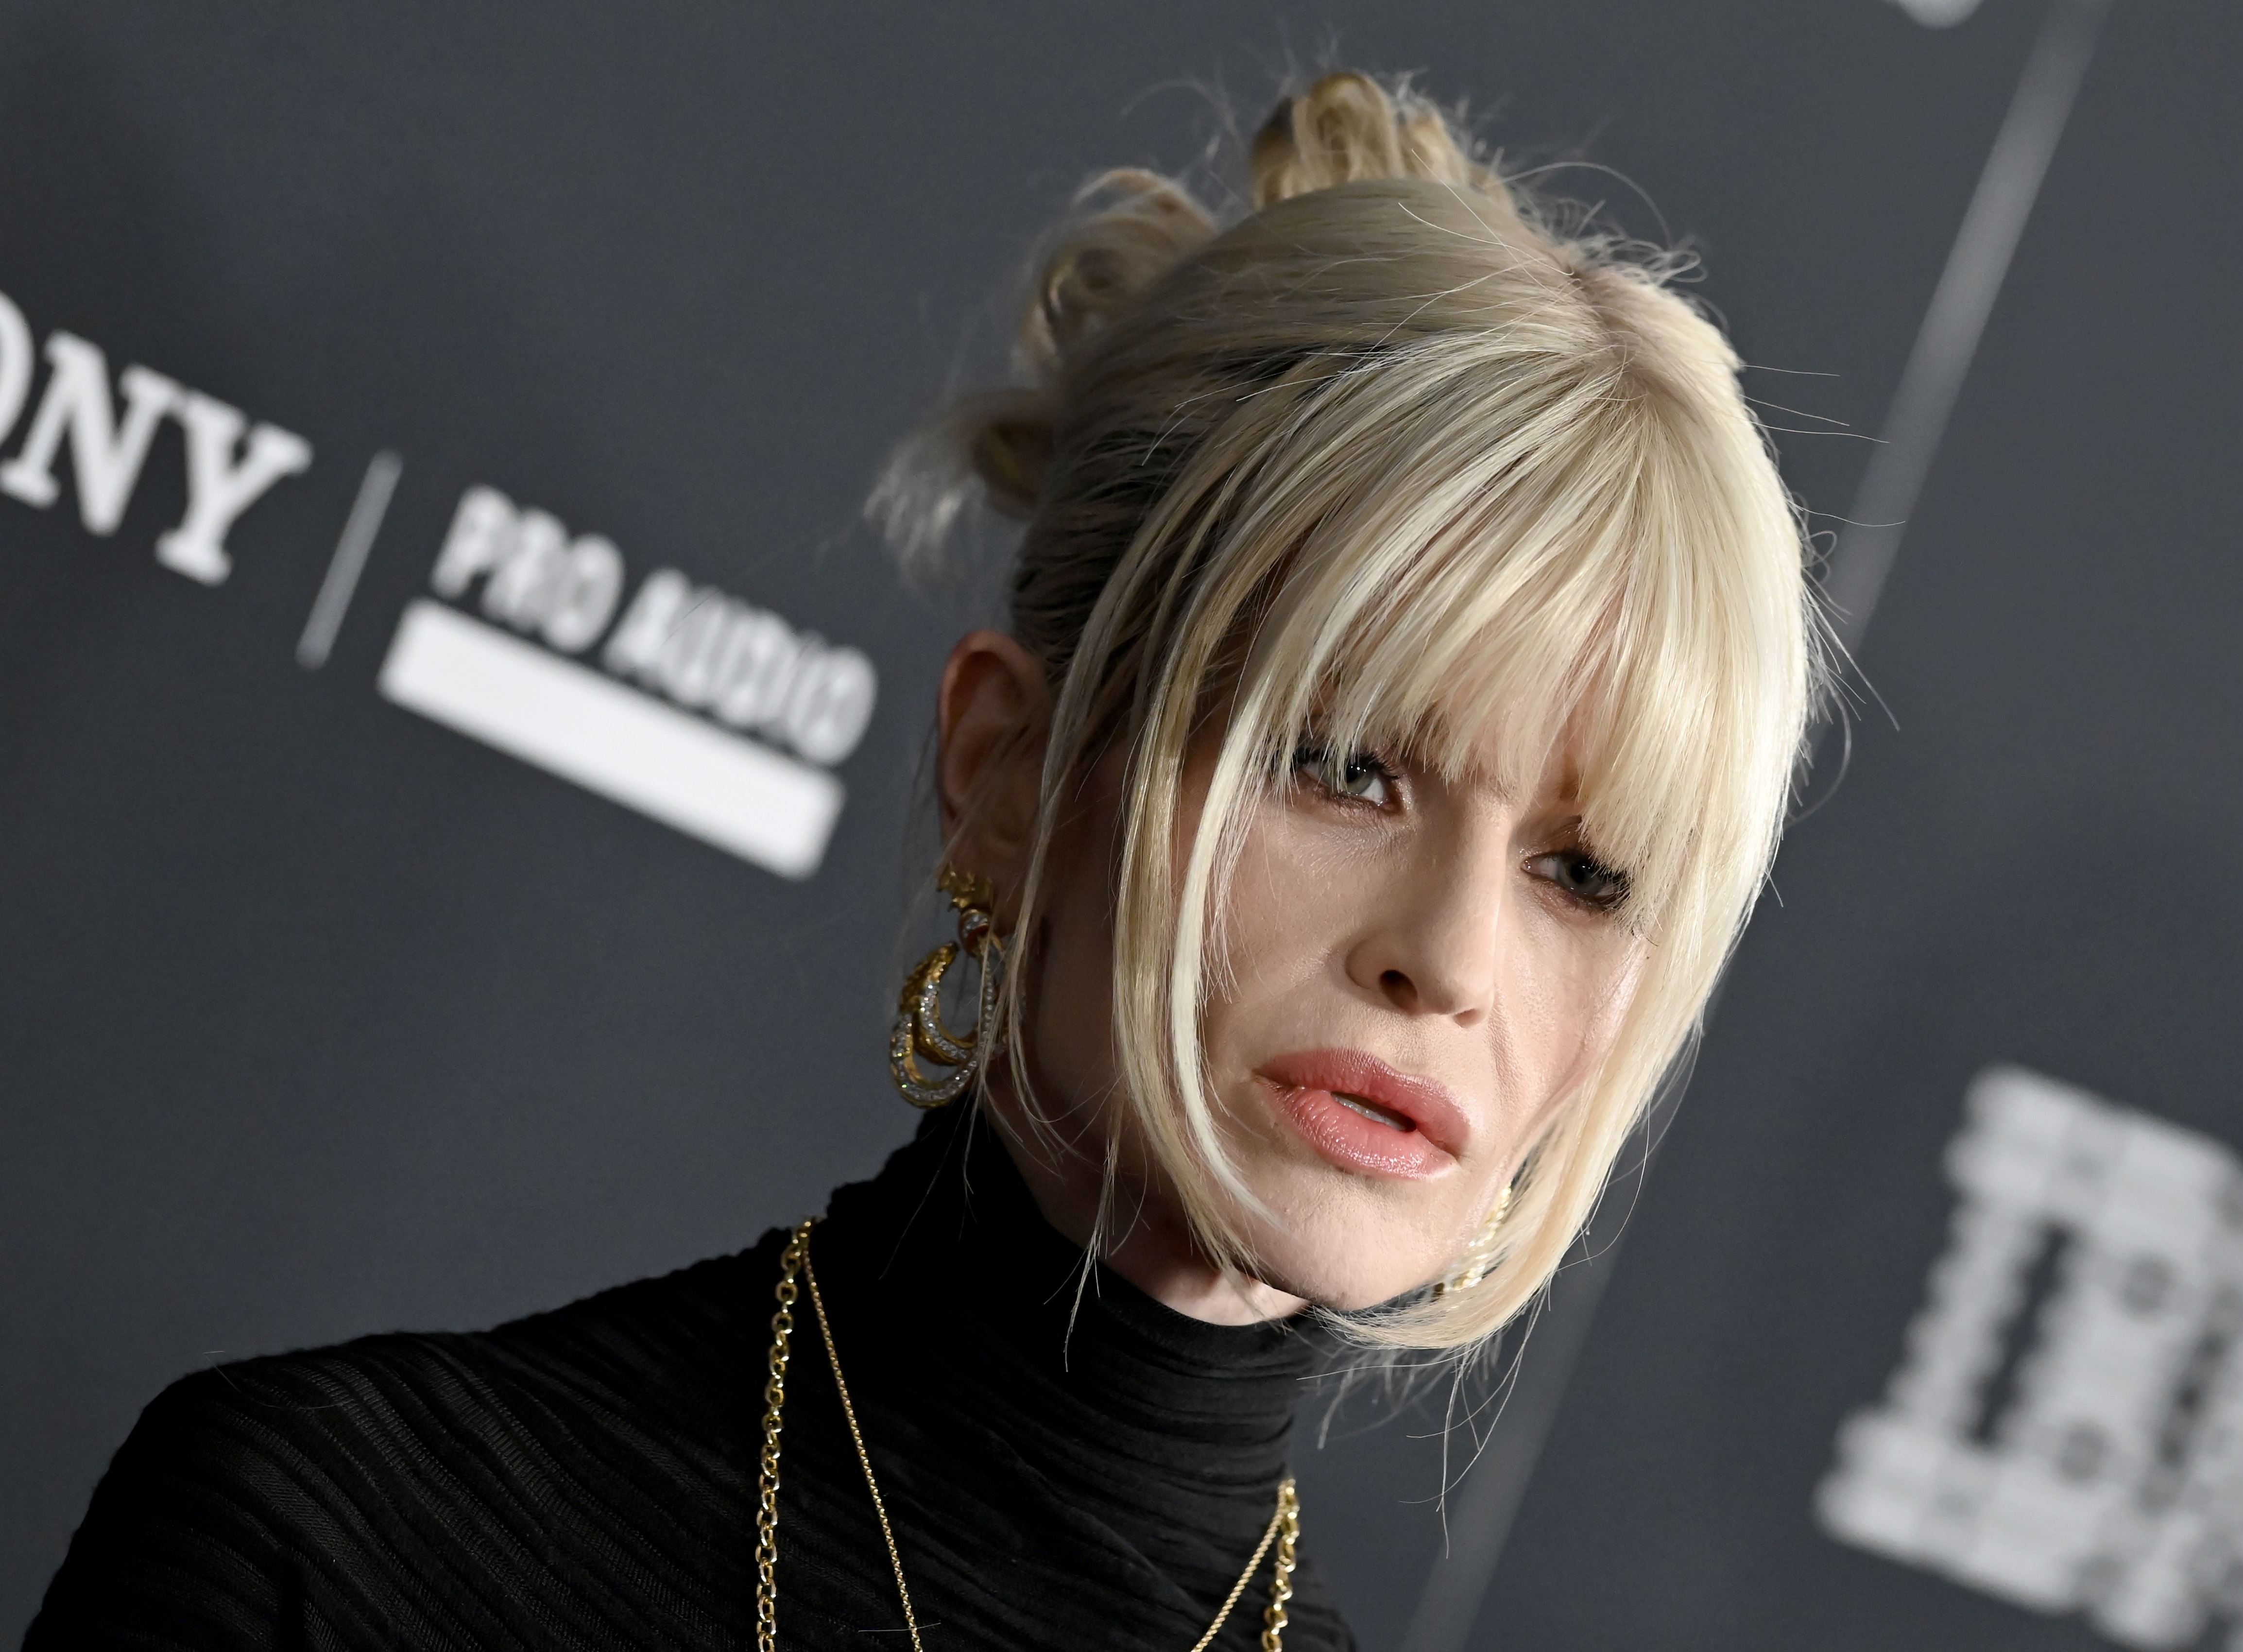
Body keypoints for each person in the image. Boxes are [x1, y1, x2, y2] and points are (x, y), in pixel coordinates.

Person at [27, 69, 1817, 1652]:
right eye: (1344, 767)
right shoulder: (327, 1542)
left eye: (1585, 875)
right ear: (1011, 771)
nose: (1452, 956)